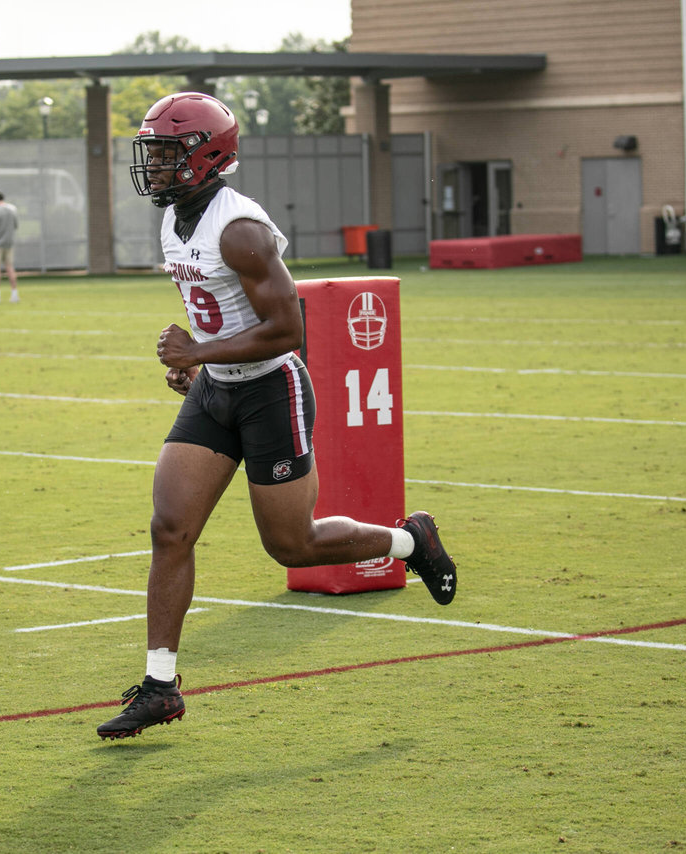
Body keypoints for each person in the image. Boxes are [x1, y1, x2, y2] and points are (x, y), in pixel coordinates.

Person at [96, 93, 459, 741]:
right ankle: (160, 686)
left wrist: (197, 350)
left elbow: (288, 329)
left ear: (207, 156)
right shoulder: (176, 218)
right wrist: (194, 361)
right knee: (170, 527)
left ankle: (410, 542)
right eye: (150, 153)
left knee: (291, 545)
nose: (152, 167)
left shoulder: (240, 229)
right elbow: (218, 309)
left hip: (270, 391)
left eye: (165, 153)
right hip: (216, 389)